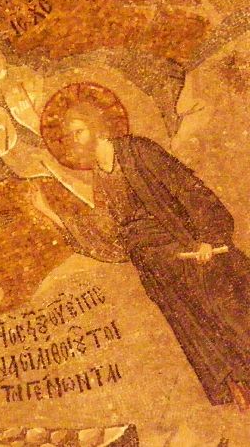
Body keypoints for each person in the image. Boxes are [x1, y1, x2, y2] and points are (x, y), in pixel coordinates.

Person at [33, 81, 250, 411]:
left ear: (96, 126)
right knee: (199, 333)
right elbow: (109, 233)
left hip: (188, 254)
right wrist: (52, 215)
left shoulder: (138, 151)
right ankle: (240, 393)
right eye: (70, 136)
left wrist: (211, 237)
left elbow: (188, 188)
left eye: (78, 131)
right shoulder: (100, 176)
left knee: (228, 315)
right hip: (158, 271)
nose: (74, 141)